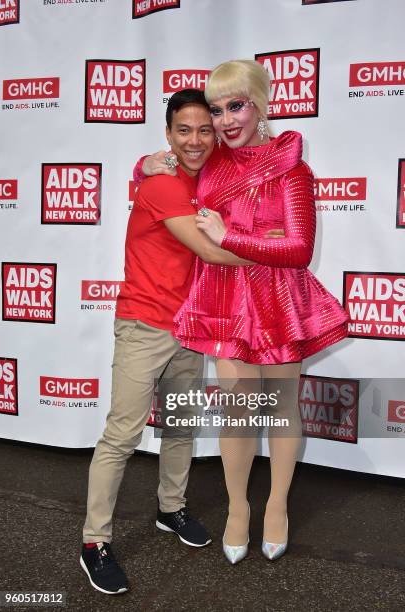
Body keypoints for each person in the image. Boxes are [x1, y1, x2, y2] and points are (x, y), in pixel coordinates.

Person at [137, 60, 348, 565]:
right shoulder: (207, 161)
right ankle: (237, 508)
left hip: (277, 301)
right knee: (237, 408)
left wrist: (226, 236)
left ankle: (276, 505)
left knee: (281, 407)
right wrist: (146, 163)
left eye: (237, 105)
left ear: (260, 103)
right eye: (217, 109)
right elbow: (164, 168)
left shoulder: (291, 166)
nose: (227, 120)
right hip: (225, 300)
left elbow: (297, 250)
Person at [80, 89, 260, 595]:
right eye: (184, 130)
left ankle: (170, 510)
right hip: (144, 325)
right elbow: (208, 247)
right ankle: (94, 543)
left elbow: (251, 157)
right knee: (122, 437)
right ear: (168, 134)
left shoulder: (207, 177)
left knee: (180, 428)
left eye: (205, 129)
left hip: (189, 326)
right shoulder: (160, 184)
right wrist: (278, 257)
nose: (196, 139)